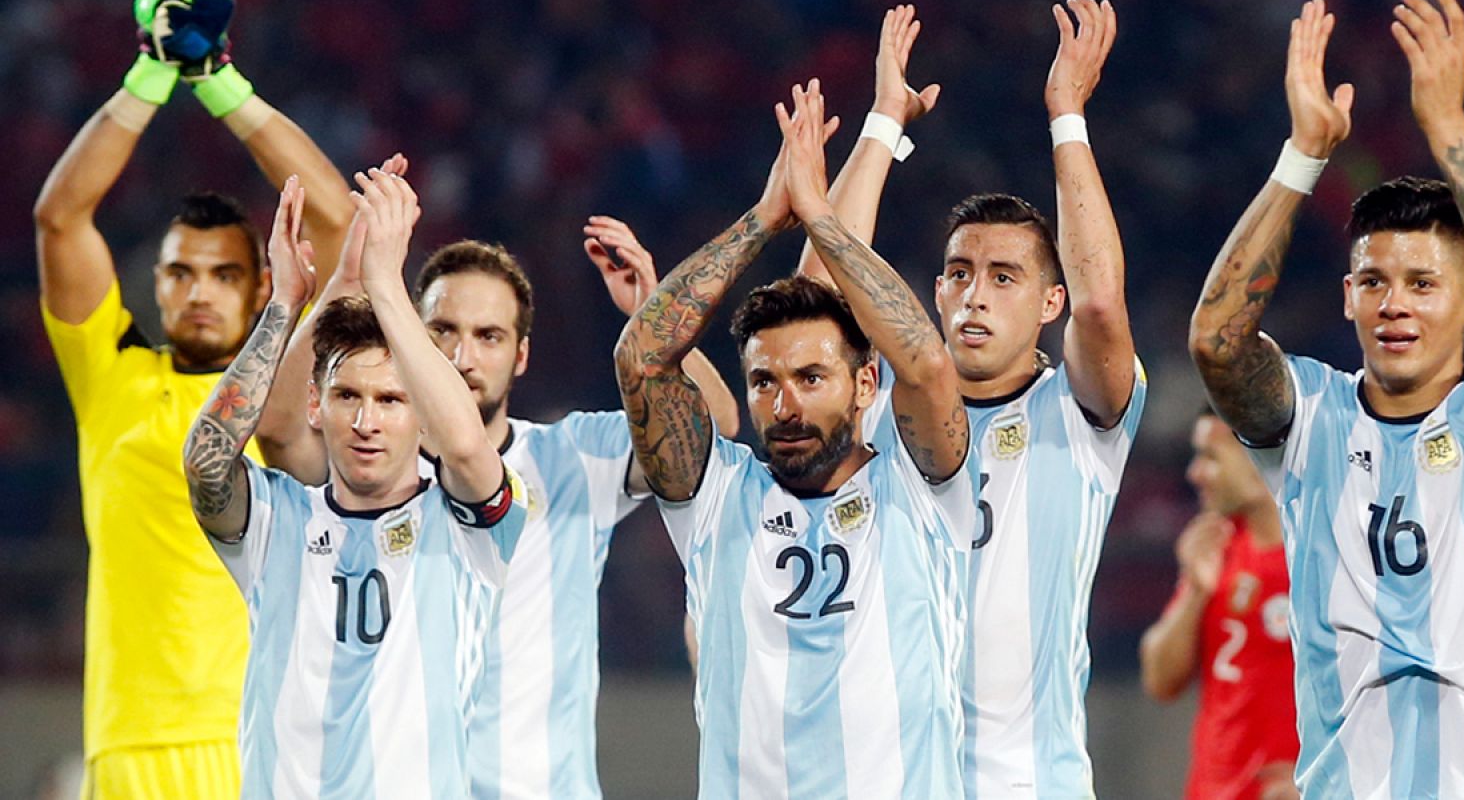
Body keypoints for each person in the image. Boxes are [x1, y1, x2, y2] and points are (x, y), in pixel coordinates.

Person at [1189, 0, 1464, 797]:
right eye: (1373, 281)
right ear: (1347, 296)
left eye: (1421, 283)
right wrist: (1303, 154)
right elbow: (1215, 342)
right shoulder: (1309, 421)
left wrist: (1447, 127)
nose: (1394, 303)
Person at [255, 195, 739, 796]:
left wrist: (653, 319)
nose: (462, 357)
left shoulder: (575, 456)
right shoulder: (373, 465)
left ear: (522, 354)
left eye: (489, 336)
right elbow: (277, 433)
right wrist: (346, 285)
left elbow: (711, 431)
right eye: (443, 331)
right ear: (412, 335)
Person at [796, 0, 1145, 797]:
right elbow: (812, 307)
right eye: (958, 274)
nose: (973, 296)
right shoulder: (876, 406)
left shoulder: (1080, 418)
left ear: (1047, 304)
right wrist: (885, 121)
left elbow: (1100, 304)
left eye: (1004, 276)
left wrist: (1068, 118)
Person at [34, 0, 351, 797]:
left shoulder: (283, 387)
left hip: (265, 736)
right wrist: (151, 68)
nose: (201, 292)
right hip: (132, 743)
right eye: (182, 273)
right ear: (157, 286)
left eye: (224, 274)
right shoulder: (109, 374)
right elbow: (61, 218)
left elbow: (340, 223)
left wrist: (217, 81)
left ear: (260, 291)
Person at [615, 80, 974, 797]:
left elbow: (930, 365)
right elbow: (641, 357)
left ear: (865, 385)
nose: (785, 404)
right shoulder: (712, 498)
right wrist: (762, 220)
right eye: (764, 382)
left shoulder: (923, 485)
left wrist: (817, 213)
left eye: (812, 378)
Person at [184, 167, 528, 797]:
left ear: (420, 410)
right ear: (317, 406)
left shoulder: (472, 528)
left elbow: (464, 445)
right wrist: (290, 305)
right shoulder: (275, 523)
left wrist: (384, 285)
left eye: (392, 400)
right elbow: (207, 463)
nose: (367, 422)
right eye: (347, 396)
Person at [1140, 412, 1297, 800]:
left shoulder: (1323, 557)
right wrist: (1195, 590)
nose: (1195, 473)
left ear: (1257, 455)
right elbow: (1160, 680)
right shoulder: (1218, 545)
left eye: (1210, 457)